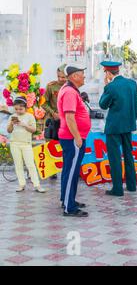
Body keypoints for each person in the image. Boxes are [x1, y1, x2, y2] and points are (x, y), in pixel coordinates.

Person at [99, 61, 137, 197]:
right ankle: (132, 185)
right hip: (128, 125)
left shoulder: (111, 86)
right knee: (129, 155)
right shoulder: (132, 84)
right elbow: (135, 105)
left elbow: (103, 105)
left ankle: (117, 188)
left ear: (108, 73)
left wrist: (106, 86)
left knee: (115, 158)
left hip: (114, 127)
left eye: (105, 73)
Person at [57, 66, 91, 217]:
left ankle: (67, 199)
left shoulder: (70, 89)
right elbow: (69, 117)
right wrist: (77, 137)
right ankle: (68, 207)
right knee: (71, 172)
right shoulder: (70, 92)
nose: (84, 77)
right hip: (72, 138)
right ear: (74, 76)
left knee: (70, 170)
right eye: (82, 74)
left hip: (71, 137)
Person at [7, 97, 45, 193]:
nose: (18, 111)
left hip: (26, 144)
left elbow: (33, 130)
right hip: (14, 143)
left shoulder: (30, 116)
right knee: (18, 164)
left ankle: (37, 185)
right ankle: (21, 184)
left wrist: (23, 124)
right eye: (16, 109)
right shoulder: (12, 117)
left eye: (20, 109)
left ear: (26, 108)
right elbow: (9, 131)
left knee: (30, 164)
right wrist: (11, 124)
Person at [42, 64, 67, 180]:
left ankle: (67, 168)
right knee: (50, 144)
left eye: (63, 77)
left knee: (65, 144)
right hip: (53, 119)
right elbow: (43, 103)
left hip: (66, 120)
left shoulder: (71, 87)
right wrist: (53, 113)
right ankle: (52, 171)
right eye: (59, 77)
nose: (61, 79)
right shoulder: (51, 87)